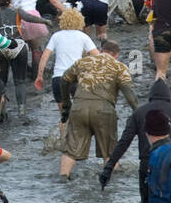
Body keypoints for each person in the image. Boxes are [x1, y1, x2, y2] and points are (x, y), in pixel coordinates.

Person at [100, 77, 171, 203]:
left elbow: (124, 142)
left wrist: (109, 168)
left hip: (147, 164)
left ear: (150, 97)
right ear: (169, 97)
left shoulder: (139, 113)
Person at [59, 40, 138, 178]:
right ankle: (111, 181)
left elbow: (64, 80)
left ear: (101, 51)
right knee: (109, 153)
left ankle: (62, 178)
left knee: (70, 150)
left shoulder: (82, 62)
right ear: (116, 55)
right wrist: (137, 112)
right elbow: (129, 93)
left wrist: (66, 104)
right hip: (104, 111)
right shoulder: (119, 67)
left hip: (79, 108)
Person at [34, 7, 96, 123]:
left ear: (63, 21)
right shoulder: (83, 36)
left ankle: (63, 140)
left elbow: (44, 57)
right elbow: (98, 57)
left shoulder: (56, 36)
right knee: (81, 114)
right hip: (75, 78)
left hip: (58, 79)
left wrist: (40, 75)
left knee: (64, 118)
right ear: (80, 21)